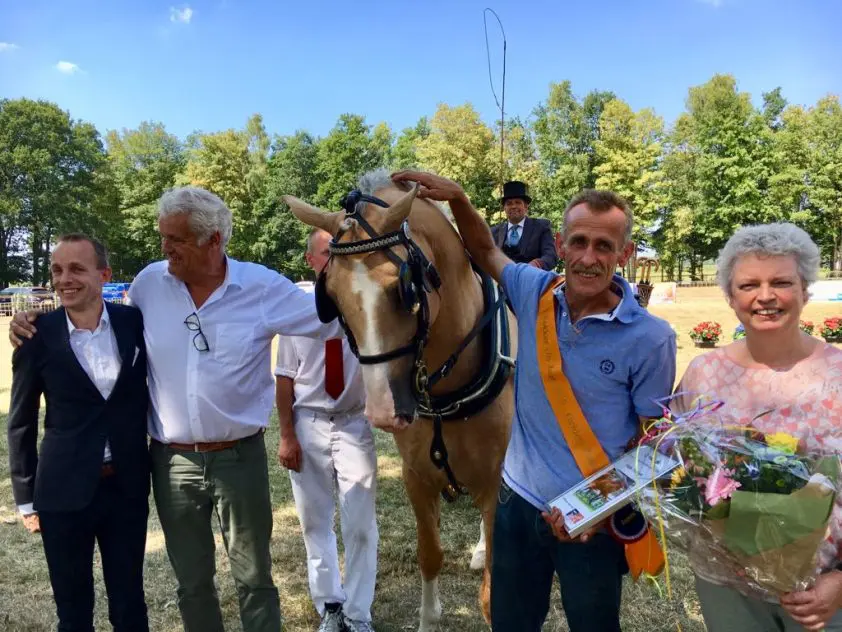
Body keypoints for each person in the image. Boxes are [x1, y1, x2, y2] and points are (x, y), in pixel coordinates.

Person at [10, 187, 342, 632]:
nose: (164, 248)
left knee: (254, 578)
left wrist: (366, 267)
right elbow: (98, 325)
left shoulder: (262, 287)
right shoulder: (150, 284)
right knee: (191, 582)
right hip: (171, 463)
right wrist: (33, 321)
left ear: (213, 240)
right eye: (162, 236)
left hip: (239, 457)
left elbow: (331, 320)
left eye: (176, 239)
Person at [391, 170, 676, 632]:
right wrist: (459, 197)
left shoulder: (652, 338)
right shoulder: (533, 291)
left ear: (624, 254)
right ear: (560, 245)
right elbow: (484, 250)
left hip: (593, 521)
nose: (588, 258)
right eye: (578, 242)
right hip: (517, 504)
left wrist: (596, 510)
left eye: (604, 246)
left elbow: (653, 444)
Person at [673, 223, 842, 632]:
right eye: (749, 285)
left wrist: (841, 582)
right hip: (726, 587)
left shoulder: (837, 375)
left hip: (820, 591)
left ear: (805, 289)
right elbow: (675, 463)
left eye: (781, 282)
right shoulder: (703, 374)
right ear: (731, 297)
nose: (765, 296)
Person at [7, 233, 150, 631]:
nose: (64, 279)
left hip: (125, 487)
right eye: (57, 270)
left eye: (76, 269)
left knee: (130, 603)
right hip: (61, 490)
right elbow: (20, 422)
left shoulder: (133, 323)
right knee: (72, 610)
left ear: (104, 275)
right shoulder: (36, 336)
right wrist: (25, 498)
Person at [275, 228, 378, 632]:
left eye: (342, 253)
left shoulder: (364, 307)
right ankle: (330, 605)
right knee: (315, 522)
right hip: (310, 421)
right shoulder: (296, 314)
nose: (336, 261)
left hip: (353, 422)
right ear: (311, 261)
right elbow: (285, 378)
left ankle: (358, 613)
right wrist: (287, 435)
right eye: (327, 253)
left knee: (361, 524)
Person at [490, 180, 558, 270]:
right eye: (509, 203)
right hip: (502, 277)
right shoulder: (493, 232)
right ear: (504, 208)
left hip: (533, 277)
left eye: (517, 202)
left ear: (526, 206)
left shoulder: (541, 227)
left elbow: (551, 256)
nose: (513, 206)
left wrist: (536, 265)